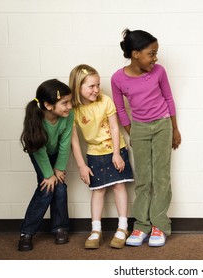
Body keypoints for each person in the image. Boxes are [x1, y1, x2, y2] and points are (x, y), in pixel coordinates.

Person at [111, 29, 181, 247]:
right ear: (135, 54)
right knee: (143, 179)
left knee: (161, 177)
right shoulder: (117, 78)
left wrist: (174, 129)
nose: (155, 58)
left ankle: (159, 224)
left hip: (162, 126)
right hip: (139, 128)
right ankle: (141, 225)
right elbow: (120, 110)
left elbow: (168, 98)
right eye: (151, 53)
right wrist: (133, 132)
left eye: (156, 53)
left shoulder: (159, 71)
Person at [69, 64, 134, 249]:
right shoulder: (73, 110)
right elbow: (74, 140)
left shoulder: (105, 101)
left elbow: (115, 127)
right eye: (91, 86)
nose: (96, 89)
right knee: (98, 190)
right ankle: (95, 230)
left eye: (98, 85)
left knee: (119, 186)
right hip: (94, 154)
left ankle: (123, 227)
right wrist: (82, 165)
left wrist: (116, 153)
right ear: (77, 87)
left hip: (115, 150)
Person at [18, 79, 74, 251]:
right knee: (46, 189)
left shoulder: (68, 116)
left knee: (60, 187)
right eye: (64, 103)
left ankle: (60, 228)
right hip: (39, 152)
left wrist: (59, 169)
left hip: (57, 154)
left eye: (69, 101)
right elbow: (40, 151)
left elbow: (65, 143)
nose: (70, 106)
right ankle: (26, 233)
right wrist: (49, 175)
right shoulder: (37, 119)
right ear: (48, 105)